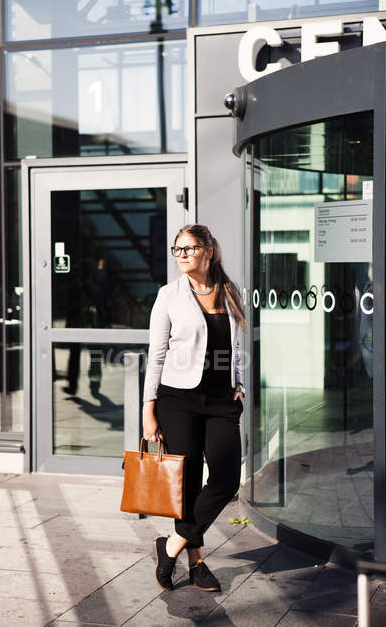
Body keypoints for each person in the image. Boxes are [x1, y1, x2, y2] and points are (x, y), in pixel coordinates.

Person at [142, 223, 245, 593]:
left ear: (208, 251)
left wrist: (239, 385)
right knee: (186, 483)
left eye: (188, 248)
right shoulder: (168, 295)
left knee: (226, 479)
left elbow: (234, 347)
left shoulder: (230, 291)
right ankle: (197, 562)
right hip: (177, 399)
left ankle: (169, 545)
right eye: (177, 249)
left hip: (221, 402)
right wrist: (147, 409)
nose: (181, 255)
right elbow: (155, 356)